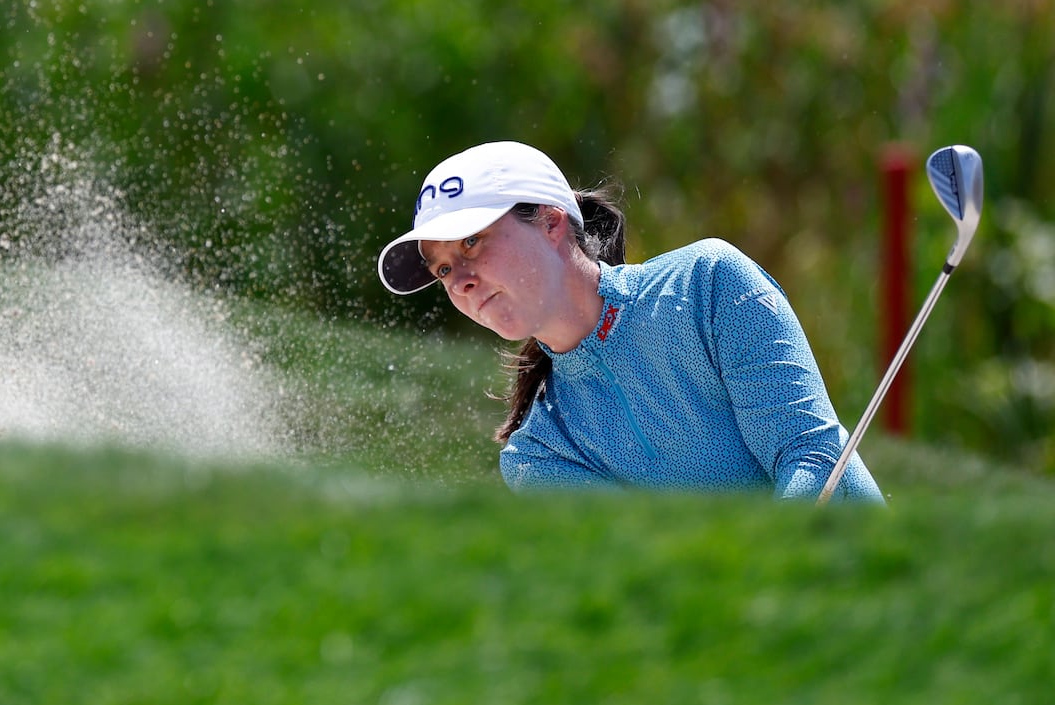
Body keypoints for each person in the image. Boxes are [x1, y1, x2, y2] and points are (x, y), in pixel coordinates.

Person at [377, 140, 884, 502]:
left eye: (471, 241)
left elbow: (813, 459)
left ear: (552, 221)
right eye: (443, 269)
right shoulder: (537, 456)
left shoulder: (706, 284)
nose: (459, 279)